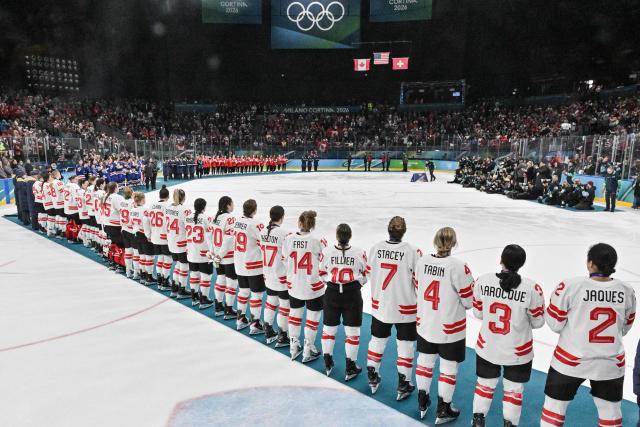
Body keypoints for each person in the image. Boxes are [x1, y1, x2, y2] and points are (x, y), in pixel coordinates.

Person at [541, 243, 636, 427]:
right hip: (610, 362)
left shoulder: (570, 285)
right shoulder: (627, 290)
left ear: (590, 264)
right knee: (610, 414)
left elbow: (554, 324)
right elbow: (625, 327)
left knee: (554, 409)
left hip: (570, 360)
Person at [471, 245, 546, 427]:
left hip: (488, 345)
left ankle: (477, 422)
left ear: (501, 260)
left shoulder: (483, 281)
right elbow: (538, 322)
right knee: (514, 391)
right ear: (522, 264)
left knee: (484, 385)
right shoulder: (532, 288)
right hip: (518, 350)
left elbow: (478, 313)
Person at [413, 227, 474, 424]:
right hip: (450, 327)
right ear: (454, 243)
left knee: (425, 362)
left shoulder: (422, 262)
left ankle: (422, 401)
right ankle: (444, 408)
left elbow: (417, 288)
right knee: (448, 368)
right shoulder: (458, 266)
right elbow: (469, 301)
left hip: (426, 322)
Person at [366, 216, 422, 400]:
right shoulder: (413, 251)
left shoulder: (375, 248)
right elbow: (419, 281)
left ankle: (372, 374)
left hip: (381, 304)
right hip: (405, 307)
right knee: (405, 346)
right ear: (403, 231)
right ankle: (404, 383)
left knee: (377, 340)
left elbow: (367, 272)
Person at [320, 223, 369, 381]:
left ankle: (327, 361)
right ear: (350, 236)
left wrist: (331, 284)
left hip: (332, 293)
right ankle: (350, 367)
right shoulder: (359, 252)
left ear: (336, 235)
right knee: (352, 333)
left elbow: (321, 273)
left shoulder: (327, 251)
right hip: (351, 294)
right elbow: (366, 272)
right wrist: (358, 284)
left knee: (328, 330)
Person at [283, 210, 327, 362]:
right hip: (313, 286)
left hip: (294, 283)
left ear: (299, 223)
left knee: (295, 315)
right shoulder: (318, 240)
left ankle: (293, 345)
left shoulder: (289, 239)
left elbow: (285, 260)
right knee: (312, 318)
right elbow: (326, 262)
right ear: (313, 224)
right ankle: (308, 349)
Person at [233, 199, 267, 333]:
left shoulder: (237, 222)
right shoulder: (255, 224)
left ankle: (240, 319)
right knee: (256, 295)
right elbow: (263, 242)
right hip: (253, 264)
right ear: (255, 210)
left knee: (243, 292)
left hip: (239, 263)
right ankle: (255, 323)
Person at [260, 205, 291, 347]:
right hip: (281, 275)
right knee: (284, 306)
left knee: (271, 302)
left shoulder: (262, 231)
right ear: (282, 217)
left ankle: (268, 329)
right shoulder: (284, 233)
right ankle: (282, 335)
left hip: (268, 274)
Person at [185, 198, 215, 310]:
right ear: (204, 207)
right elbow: (210, 235)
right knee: (206, 276)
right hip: (203, 252)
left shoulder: (188, 217)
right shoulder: (206, 218)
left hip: (191, 251)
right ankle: (204, 299)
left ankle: (194, 297)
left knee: (194, 274)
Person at [212, 196, 239, 320]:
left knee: (220, 279)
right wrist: (220, 254)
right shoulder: (230, 218)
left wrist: (215, 254)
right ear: (228, 205)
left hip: (217, 254)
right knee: (232, 283)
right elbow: (229, 238)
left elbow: (211, 236)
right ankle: (228, 309)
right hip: (227, 256)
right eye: (232, 203)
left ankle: (218, 305)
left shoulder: (216, 217)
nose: (233, 205)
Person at [165, 189, 191, 300]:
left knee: (178, 265)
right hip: (181, 241)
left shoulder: (168, 208)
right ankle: (182, 289)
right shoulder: (184, 209)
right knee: (184, 266)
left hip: (171, 241)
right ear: (183, 197)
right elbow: (189, 225)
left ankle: (175, 288)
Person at [149, 186, 171, 289]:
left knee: (160, 258)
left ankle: (159, 280)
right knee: (168, 259)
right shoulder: (168, 205)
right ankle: (165, 280)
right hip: (164, 236)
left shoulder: (152, 205)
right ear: (168, 196)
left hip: (154, 235)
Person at [101, 182, 125, 271]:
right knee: (121, 245)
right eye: (118, 186)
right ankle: (120, 264)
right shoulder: (117, 197)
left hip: (107, 223)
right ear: (115, 188)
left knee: (113, 243)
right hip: (115, 225)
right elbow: (122, 210)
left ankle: (113, 261)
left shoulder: (105, 195)